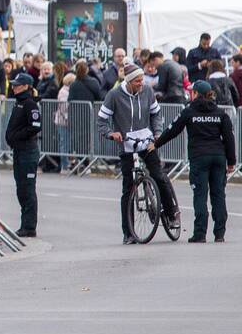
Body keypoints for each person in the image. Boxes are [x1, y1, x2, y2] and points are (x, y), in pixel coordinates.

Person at [97, 63, 178, 244]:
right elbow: (101, 120)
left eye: (142, 80)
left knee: (158, 175)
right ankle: (128, 233)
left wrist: (157, 133)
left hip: (146, 141)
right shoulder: (114, 95)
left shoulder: (147, 92)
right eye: (138, 81)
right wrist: (111, 133)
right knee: (128, 188)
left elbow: (156, 115)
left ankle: (172, 213)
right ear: (128, 81)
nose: (141, 83)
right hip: (126, 143)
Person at [156, 81, 236, 242]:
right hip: (218, 157)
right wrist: (231, 162)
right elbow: (229, 138)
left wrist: (155, 144)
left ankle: (200, 233)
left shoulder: (189, 112)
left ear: (196, 94)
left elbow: (172, 130)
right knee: (218, 195)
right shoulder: (220, 114)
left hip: (199, 158)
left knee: (200, 195)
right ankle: (219, 234)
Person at [5, 73, 42, 237]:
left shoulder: (30, 104)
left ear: (26, 86)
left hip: (28, 151)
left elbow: (35, 126)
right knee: (21, 188)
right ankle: (24, 224)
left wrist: (17, 136)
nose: (14, 87)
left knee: (27, 189)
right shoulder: (18, 103)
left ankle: (29, 226)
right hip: (19, 151)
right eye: (13, 84)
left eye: (17, 85)